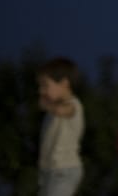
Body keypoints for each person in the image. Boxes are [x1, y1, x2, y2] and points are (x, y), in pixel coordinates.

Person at [36, 56, 85, 196]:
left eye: (45, 85)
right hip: (48, 172)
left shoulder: (74, 105)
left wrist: (48, 106)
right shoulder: (51, 113)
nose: (41, 91)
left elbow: (65, 111)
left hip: (64, 170)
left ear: (64, 83)